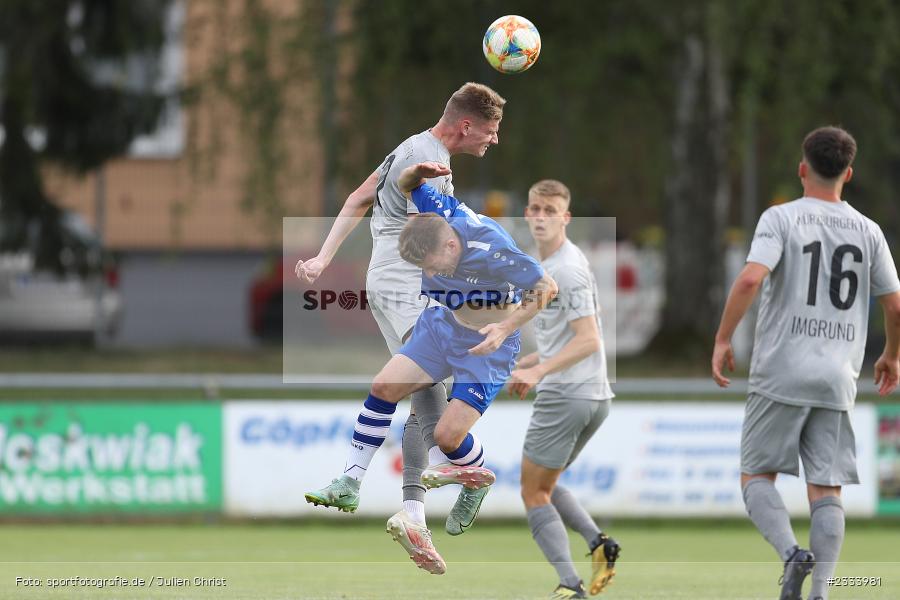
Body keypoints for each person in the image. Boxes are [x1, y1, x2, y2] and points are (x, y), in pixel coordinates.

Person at [305, 161, 558, 574]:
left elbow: (548, 287)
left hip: (489, 344)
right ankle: (349, 482)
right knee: (384, 386)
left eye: (433, 266)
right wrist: (413, 172)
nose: (429, 274)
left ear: (453, 247)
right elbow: (409, 184)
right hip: (441, 327)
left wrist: (506, 327)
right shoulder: (436, 214)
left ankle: (475, 478)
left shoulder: (491, 248)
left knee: (446, 436)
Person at [295, 83, 505, 572]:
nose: (494, 141)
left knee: (421, 392)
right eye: (491, 132)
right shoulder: (428, 158)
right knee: (446, 388)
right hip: (408, 286)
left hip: (385, 285)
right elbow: (428, 223)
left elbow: (358, 196)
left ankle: (403, 508)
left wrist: (324, 259)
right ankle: (470, 470)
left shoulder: (410, 147)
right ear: (467, 125)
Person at [711, 126, 900, 600]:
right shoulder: (869, 231)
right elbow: (895, 305)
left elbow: (752, 280)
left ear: (802, 168)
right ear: (848, 173)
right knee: (827, 486)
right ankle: (821, 593)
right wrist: (891, 355)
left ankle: (793, 554)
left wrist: (722, 338)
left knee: (756, 476)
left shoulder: (781, 219)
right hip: (838, 376)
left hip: (781, 370)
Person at [507, 180, 619, 599]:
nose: (539, 217)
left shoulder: (565, 269)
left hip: (566, 394)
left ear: (565, 217)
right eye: (534, 208)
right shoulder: (569, 261)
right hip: (593, 396)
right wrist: (534, 361)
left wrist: (541, 372)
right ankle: (599, 544)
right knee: (546, 486)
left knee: (532, 491)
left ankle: (570, 586)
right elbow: (583, 331)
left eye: (549, 210)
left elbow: (590, 338)